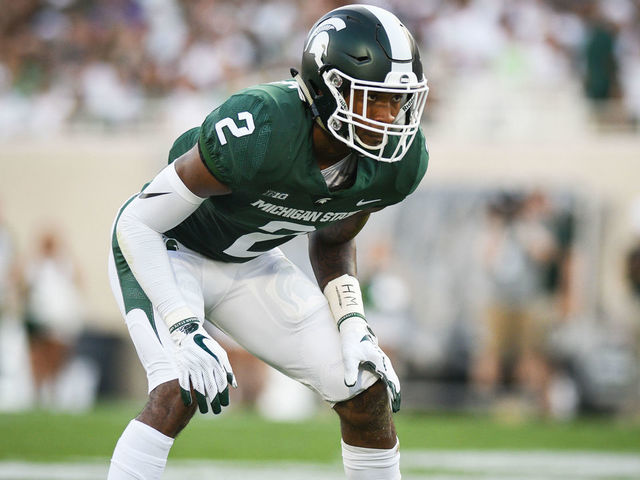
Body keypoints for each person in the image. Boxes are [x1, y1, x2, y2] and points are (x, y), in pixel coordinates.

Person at [107, 5, 429, 479]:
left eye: (397, 102)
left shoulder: (397, 164)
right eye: (373, 100)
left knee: (364, 390)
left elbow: (334, 239)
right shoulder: (261, 128)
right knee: (179, 385)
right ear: (327, 91)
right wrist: (181, 326)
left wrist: (353, 322)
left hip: (248, 263)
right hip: (166, 249)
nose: (390, 119)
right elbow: (137, 223)